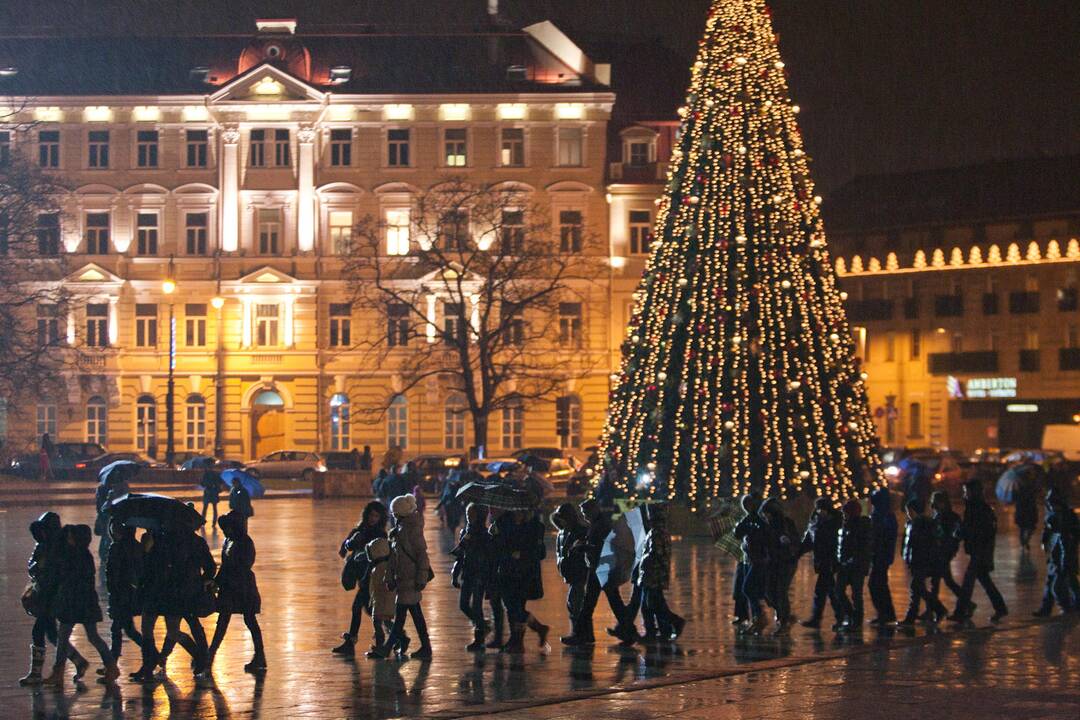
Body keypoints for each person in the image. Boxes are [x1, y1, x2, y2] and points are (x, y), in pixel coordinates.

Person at [18, 512, 90, 686]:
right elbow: (33, 566)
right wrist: (37, 567)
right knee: (52, 634)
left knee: (39, 632)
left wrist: (42, 569)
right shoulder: (44, 545)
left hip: (51, 597)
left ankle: (36, 673)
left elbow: (54, 572)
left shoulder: (57, 547)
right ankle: (78, 661)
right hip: (45, 594)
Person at [43, 524, 118, 685]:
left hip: (74, 603)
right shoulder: (82, 555)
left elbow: (69, 578)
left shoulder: (75, 556)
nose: (68, 538)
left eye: (71, 536)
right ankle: (111, 667)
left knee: (64, 637)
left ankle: (59, 672)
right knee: (91, 636)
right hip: (85, 603)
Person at [369, 494, 433, 659]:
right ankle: (425, 647)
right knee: (415, 616)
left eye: (394, 513)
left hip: (410, 581)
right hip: (403, 580)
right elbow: (393, 558)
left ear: (399, 513)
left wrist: (420, 578)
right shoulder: (398, 531)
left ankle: (388, 647)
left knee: (400, 619)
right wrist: (389, 578)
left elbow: (422, 556)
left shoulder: (411, 531)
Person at [203, 511, 266, 674]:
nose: (224, 531)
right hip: (230, 587)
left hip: (242, 587)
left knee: (249, 620)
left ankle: (260, 656)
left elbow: (242, 564)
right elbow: (225, 565)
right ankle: (210, 658)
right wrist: (217, 581)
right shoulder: (229, 540)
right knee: (223, 622)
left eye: (227, 528)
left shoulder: (245, 542)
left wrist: (224, 579)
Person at [332, 500, 389, 657]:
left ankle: (354, 642)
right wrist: (351, 541)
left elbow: (381, 556)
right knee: (371, 610)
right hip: (361, 576)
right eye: (371, 515)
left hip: (372, 577)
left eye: (376, 516)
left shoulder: (380, 534)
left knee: (360, 608)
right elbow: (344, 549)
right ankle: (396, 636)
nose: (373, 518)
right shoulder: (359, 530)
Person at [577, 499, 637, 644]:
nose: (584, 516)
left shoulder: (600, 525)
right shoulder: (599, 523)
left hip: (600, 568)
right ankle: (629, 632)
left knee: (591, 602)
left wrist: (583, 548)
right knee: (609, 601)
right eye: (583, 514)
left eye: (586, 513)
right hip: (601, 568)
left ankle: (581, 634)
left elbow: (600, 547)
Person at [491, 507, 550, 653]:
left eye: (521, 511)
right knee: (512, 608)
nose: (518, 513)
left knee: (516, 608)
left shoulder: (535, 527)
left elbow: (540, 553)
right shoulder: (503, 523)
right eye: (516, 510)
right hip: (506, 571)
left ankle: (518, 641)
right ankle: (535, 629)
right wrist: (494, 536)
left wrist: (522, 554)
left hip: (525, 573)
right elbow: (497, 547)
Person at [951, 478, 1008, 623]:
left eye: (966, 492)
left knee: (968, 583)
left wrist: (961, 531)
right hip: (979, 550)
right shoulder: (977, 508)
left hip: (979, 551)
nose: (964, 495)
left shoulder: (977, 509)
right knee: (984, 581)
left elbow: (977, 531)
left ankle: (960, 611)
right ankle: (1000, 608)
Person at [451, 502, 497, 651]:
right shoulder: (465, 532)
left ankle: (479, 638)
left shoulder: (485, 534)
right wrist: (455, 574)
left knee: (477, 606)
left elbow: (489, 559)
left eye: (472, 514)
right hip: (468, 572)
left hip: (479, 574)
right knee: (463, 605)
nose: (469, 517)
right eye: (467, 514)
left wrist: (489, 580)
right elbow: (460, 555)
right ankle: (483, 625)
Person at [637, 504, 685, 641]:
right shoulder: (658, 531)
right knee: (652, 604)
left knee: (651, 605)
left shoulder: (656, 532)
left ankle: (674, 622)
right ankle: (661, 631)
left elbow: (656, 553)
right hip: (653, 574)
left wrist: (643, 558)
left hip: (653, 574)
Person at [899, 499, 948, 625]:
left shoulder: (923, 523)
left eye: (909, 511)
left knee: (916, 587)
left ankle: (939, 609)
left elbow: (924, 544)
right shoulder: (911, 523)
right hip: (916, 561)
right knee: (916, 589)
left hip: (922, 561)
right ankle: (912, 616)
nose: (908, 514)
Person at [103, 519, 144, 662]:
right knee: (128, 630)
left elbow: (113, 574)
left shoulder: (118, 547)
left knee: (117, 629)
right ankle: (154, 656)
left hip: (121, 594)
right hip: (129, 594)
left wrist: (113, 590)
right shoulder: (137, 546)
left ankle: (112, 663)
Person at [1034, 488, 1079, 616]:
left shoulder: (1065, 517)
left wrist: (1065, 558)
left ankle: (1066, 606)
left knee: (1059, 583)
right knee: (1053, 581)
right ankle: (1046, 608)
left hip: (1063, 556)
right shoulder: (1052, 515)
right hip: (1055, 555)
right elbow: (1047, 535)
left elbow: (1067, 540)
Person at [552, 502, 593, 645]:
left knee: (575, 603)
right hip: (570, 572)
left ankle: (579, 633)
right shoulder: (563, 532)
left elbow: (584, 550)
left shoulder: (579, 531)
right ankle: (585, 634)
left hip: (579, 571)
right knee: (576, 603)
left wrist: (577, 549)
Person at [799, 497, 842, 629]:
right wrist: (796, 553)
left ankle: (839, 617)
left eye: (822, 509)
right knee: (826, 590)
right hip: (822, 561)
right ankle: (838, 617)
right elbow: (809, 542)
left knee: (826, 590)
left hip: (829, 561)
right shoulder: (816, 522)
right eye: (818, 509)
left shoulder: (834, 522)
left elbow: (835, 543)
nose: (820, 512)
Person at [734, 493, 772, 635]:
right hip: (751, 559)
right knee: (751, 590)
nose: (746, 508)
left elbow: (762, 538)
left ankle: (761, 617)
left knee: (748, 589)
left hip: (759, 560)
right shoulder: (749, 519)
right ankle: (757, 618)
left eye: (748, 505)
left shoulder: (759, 520)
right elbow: (738, 534)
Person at [760, 497, 799, 633]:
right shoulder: (765, 525)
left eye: (768, 513)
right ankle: (783, 614)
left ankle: (783, 619)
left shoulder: (786, 524)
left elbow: (795, 541)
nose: (766, 516)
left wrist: (788, 541)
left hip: (786, 562)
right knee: (768, 591)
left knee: (781, 591)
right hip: (772, 562)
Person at [833, 499, 872, 632]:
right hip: (845, 565)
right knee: (838, 591)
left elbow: (862, 547)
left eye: (846, 513)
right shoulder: (845, 525)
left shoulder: (861, 526)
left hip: (856, 566)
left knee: (856, 594)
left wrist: (854, 560)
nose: (844, 515)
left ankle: (856, 621)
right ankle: (851, 615)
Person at [363, 537, 402, 654]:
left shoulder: (379, 569)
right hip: (387, 600)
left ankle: (381, 645)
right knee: (387, 622)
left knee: (377, 622)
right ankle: (399, 638)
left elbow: (375, 587)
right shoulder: (389, 566)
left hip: (380, 601)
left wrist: (371, 600)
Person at [867, 487, 898, 626]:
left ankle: (886, 613)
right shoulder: (883, 515)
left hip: (881, 555)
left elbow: (881, 536)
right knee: (879, 584)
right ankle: (886, 613)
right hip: (880, 554)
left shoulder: (883, 516)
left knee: (876, 584)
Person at [929, 490, 963, 603]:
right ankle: (966, 602)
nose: (933, 504)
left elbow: (951, 535)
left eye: (935, 502)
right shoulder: (939, 515)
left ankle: (933, 608)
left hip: (943, 551)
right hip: (941, 551)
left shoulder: (948, 517)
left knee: (938, 580)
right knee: (942, 580)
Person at [1013, 462, 1042, 551]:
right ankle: (1025, 542)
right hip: (1028, 507)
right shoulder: (1029, 484)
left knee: (1024, 527)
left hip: (1023, 507)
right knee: (1029, 527)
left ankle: (1024, 542)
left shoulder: (1019, 484)